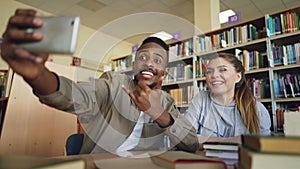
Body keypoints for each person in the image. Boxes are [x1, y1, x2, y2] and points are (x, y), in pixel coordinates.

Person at [1, 9, 199, 154]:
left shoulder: (167, 103)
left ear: (164, 72)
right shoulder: (113, 83)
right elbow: (76, 96)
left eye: (157, 60)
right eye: (143, 57)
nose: (148, 63)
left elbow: (191, 143)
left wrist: (159, 113)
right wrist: (38, 75)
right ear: (135, 64)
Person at [185, 52, 271, 142]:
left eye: (222, 70)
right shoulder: (201, 99)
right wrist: (231, 141)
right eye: (209, 71)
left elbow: (265, 147)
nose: (214, 75)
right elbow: (186, 138)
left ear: (238, 77)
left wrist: (204, 140)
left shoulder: (257, 109)